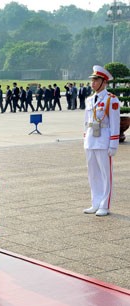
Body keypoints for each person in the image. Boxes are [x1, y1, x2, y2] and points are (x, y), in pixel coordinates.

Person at [83, 65, 120, 217]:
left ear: (104, 82)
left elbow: (115, 123)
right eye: (92, 80)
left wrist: (113, 143)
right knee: (93, 174)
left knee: (105, 174)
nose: (93, 83)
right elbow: (86, 121)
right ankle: (95, 202)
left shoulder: (111, 99)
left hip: (104, 139)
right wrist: (85, 138)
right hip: (91, 139)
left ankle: (104, 204)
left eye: (96, 80)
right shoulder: (89, 99)